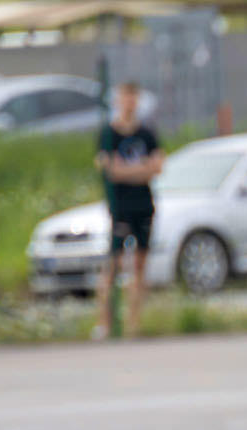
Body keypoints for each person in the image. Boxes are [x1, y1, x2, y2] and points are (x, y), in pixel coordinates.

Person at [94, 82, 162, 339]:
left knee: (140, 267)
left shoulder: (147, 134)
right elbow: (111, 170)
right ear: (118, 100)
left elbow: (157, 167)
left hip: (144, 205)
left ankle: (134, 325)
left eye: (134, 97)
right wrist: (141, 169)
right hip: (120, 207)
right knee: (113, 265)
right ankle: (105, 324)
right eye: (125, 97)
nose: (129, 102)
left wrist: (129, 170)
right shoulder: (108, 134)